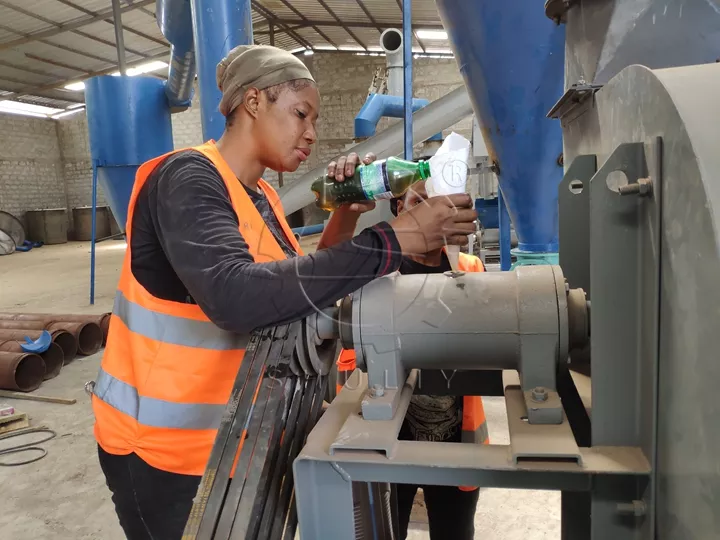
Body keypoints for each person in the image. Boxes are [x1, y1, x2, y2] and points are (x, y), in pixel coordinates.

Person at [90, 44, 478, 540]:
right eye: (300, 114)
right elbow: (235, 297)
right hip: (164, 453)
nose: (312, 133)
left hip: (237, 439)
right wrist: (397, 239)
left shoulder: (261, 197)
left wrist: (346, 213)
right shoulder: (186, 178)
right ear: (253, 102)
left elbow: (295, 290)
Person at [337, 181, 488, 540]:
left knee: (454, 531)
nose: (431, 209)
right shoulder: (375, 276)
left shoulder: (470, 268)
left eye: (440, 201)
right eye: (418, 201)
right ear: (400, 212)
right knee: (386, 530)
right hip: (388, 437)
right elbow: (350, 353)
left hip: (456, 439)